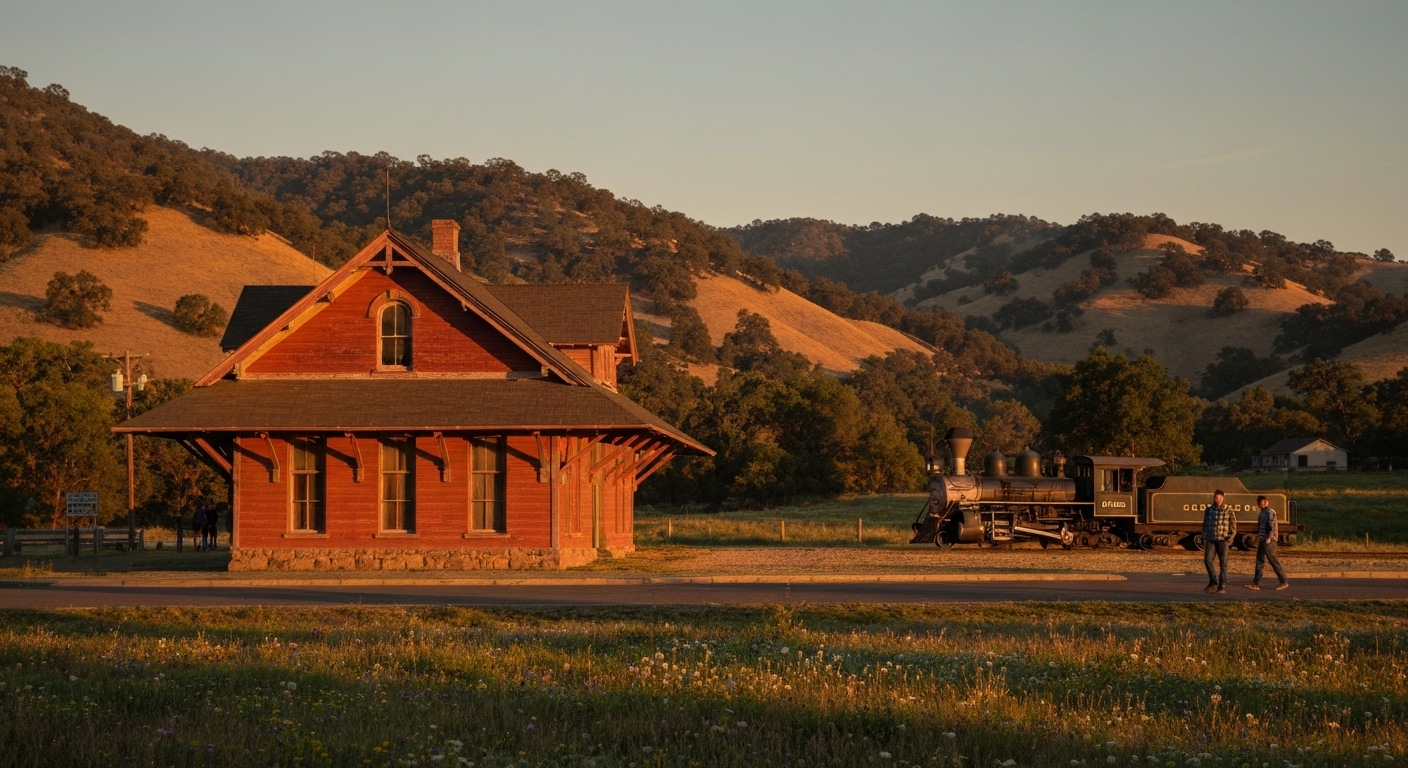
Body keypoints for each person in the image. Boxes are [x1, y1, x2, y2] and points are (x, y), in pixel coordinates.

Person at [1244, 495, 1289, 591]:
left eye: (1265, 502)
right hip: (1263, 540)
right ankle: (1256, 583)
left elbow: (1272, 526)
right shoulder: (1262, 513)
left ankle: (1283, 581)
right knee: (1259, 561)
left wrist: (1269, 538)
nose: (1263, 504)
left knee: (1273, 560)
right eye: (1261, 502)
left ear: (1267, 502)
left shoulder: (1270, 512)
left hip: (1269, 540)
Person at [1201, 490, 1236, 594]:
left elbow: (1233, 524)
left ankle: (1222, 586)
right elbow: (1205, 523)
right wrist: (1204, 536)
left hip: (1223, 539)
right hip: (1211, 539)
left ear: (1223, 498)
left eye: (1220, 498)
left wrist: (1231, 537)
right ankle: (1213, 581)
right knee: (1207, 560)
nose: (1218, 500)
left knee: (1223, 563)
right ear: (1214, 498)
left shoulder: (1228, 509)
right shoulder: (1209, 510)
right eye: (1217, 498)